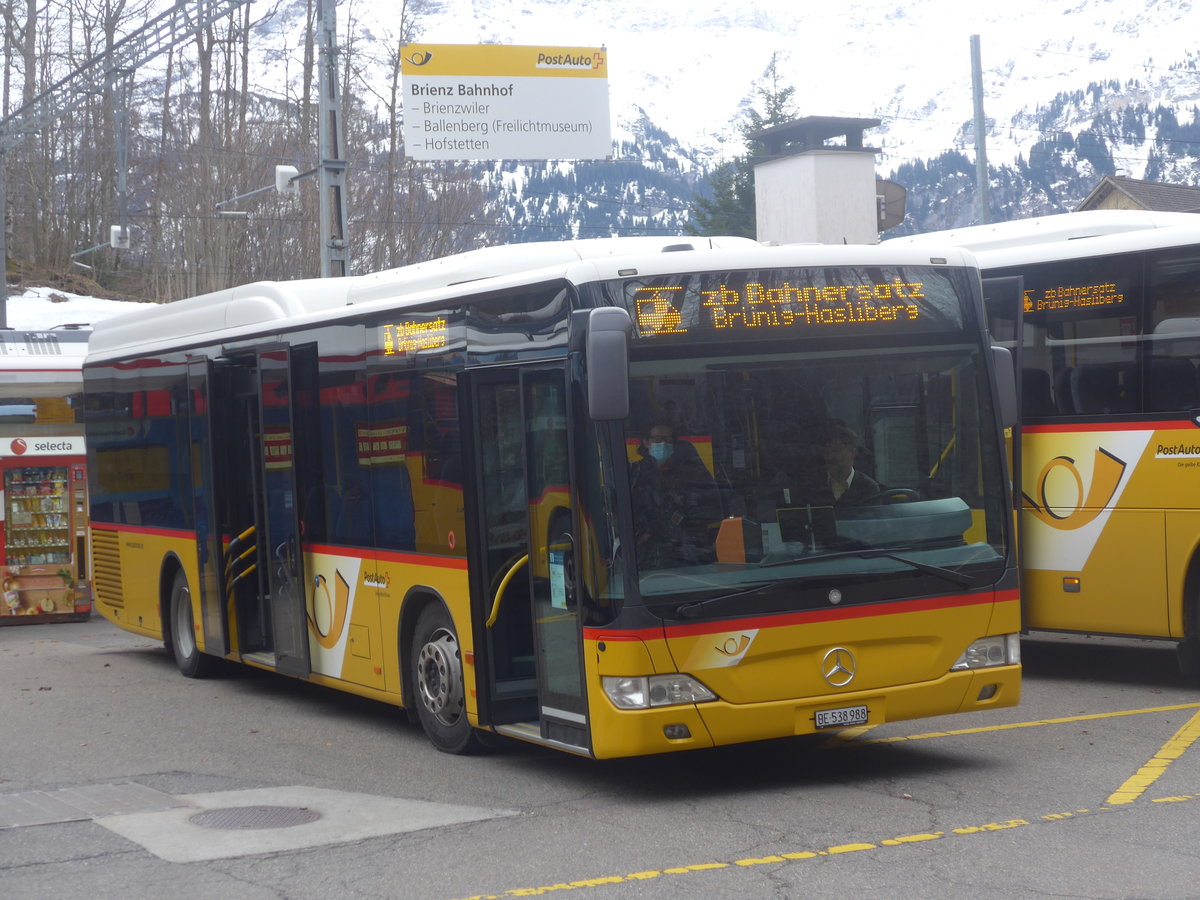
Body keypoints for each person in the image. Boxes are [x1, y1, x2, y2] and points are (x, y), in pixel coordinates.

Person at [630, 422, 723, 568]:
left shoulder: (689, 472)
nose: (663, 444)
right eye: (657, 439)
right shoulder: (634, 474)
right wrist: (642, 535)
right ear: (646, 442)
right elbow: (625, 512)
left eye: (668, 440)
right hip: (646, 560)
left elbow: (707, 506)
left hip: (687, 555)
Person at [814, 423, 879, 506]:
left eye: (836, 451)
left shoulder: (868, 488)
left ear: (853, 453)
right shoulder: (813, 485)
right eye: (826, 452)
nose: (829, 457)